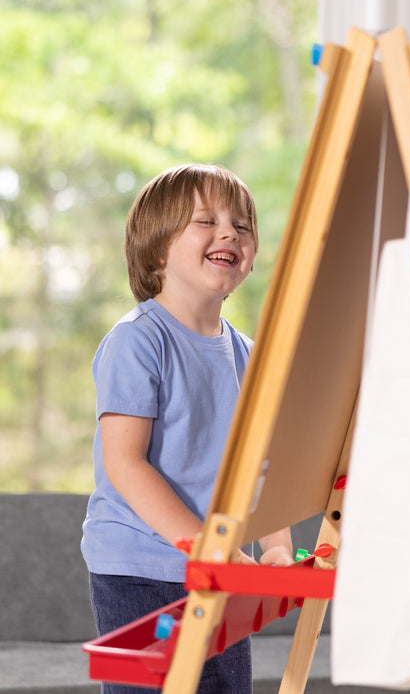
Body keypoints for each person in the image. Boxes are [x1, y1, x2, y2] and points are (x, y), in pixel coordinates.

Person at [81, 163, 293, 694]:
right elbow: (124, 463)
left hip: (218, 567)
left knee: (226, 686)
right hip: (140, 569)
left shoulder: (248, 353)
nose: (229, 232)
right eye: (206, 221)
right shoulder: (138, 340)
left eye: (242, 226)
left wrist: (276, 547)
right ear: (157, 250)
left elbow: (262, 463)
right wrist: (207, 547)